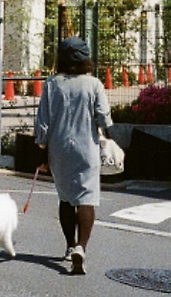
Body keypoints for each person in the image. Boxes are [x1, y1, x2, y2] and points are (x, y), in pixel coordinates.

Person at [33, 36, 112, 275]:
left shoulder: (51, 84)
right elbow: (103, 117)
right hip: (87, 147)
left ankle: (69, 246)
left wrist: (42, 150)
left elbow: (43, 123)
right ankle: (81, 247)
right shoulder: (94, 84)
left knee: (66, 198)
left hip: (59, 149)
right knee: (87, 197)